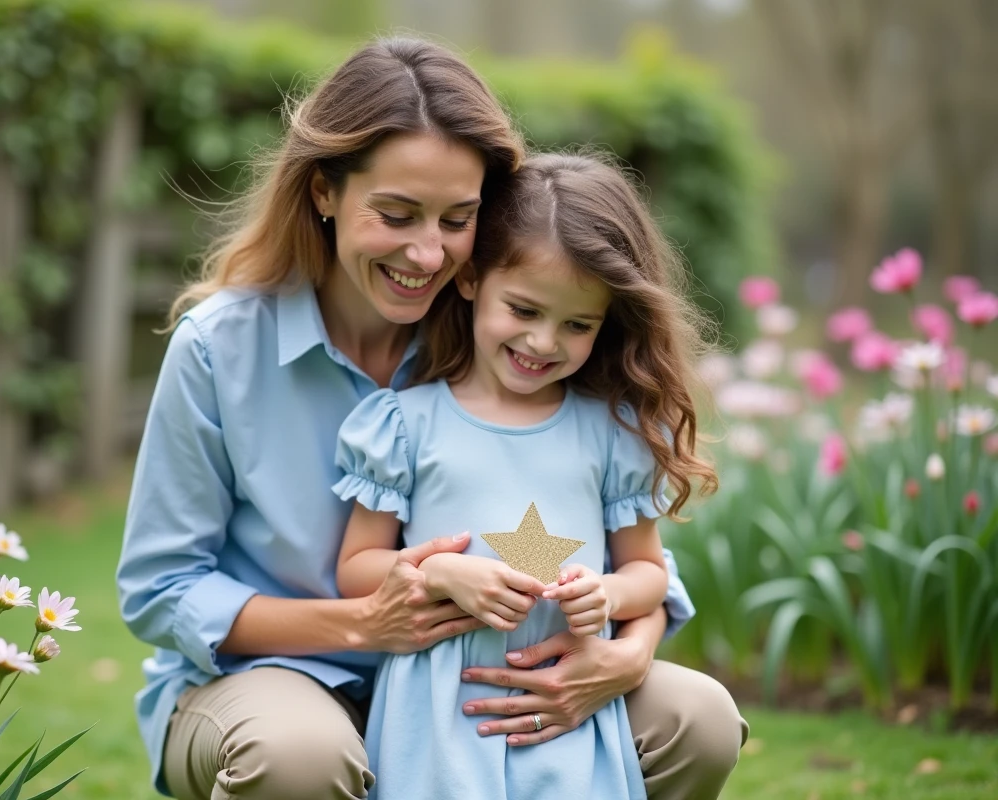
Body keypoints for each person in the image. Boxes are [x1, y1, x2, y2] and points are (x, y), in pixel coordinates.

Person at [116, 36, 747, 800]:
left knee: (699, 718)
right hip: (271, 680)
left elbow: (618, 549)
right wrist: (361, 625)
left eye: (457, 219)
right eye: (396, 213)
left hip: (476, 680)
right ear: (324, 193)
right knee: (301, 756)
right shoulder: (220, 349)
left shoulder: (505, 337)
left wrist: (632, 652)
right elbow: (161, 589)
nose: (426, 253)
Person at [333, 152, 717, 800]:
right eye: (525, 309)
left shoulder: (611, 432)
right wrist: (440, 574)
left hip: (566, 699)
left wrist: (609, 598)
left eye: (577, 325)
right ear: (472, 280)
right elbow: (357, 568)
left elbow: (647, 573)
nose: (544, 342)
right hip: (437, 709)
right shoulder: (405, 423)